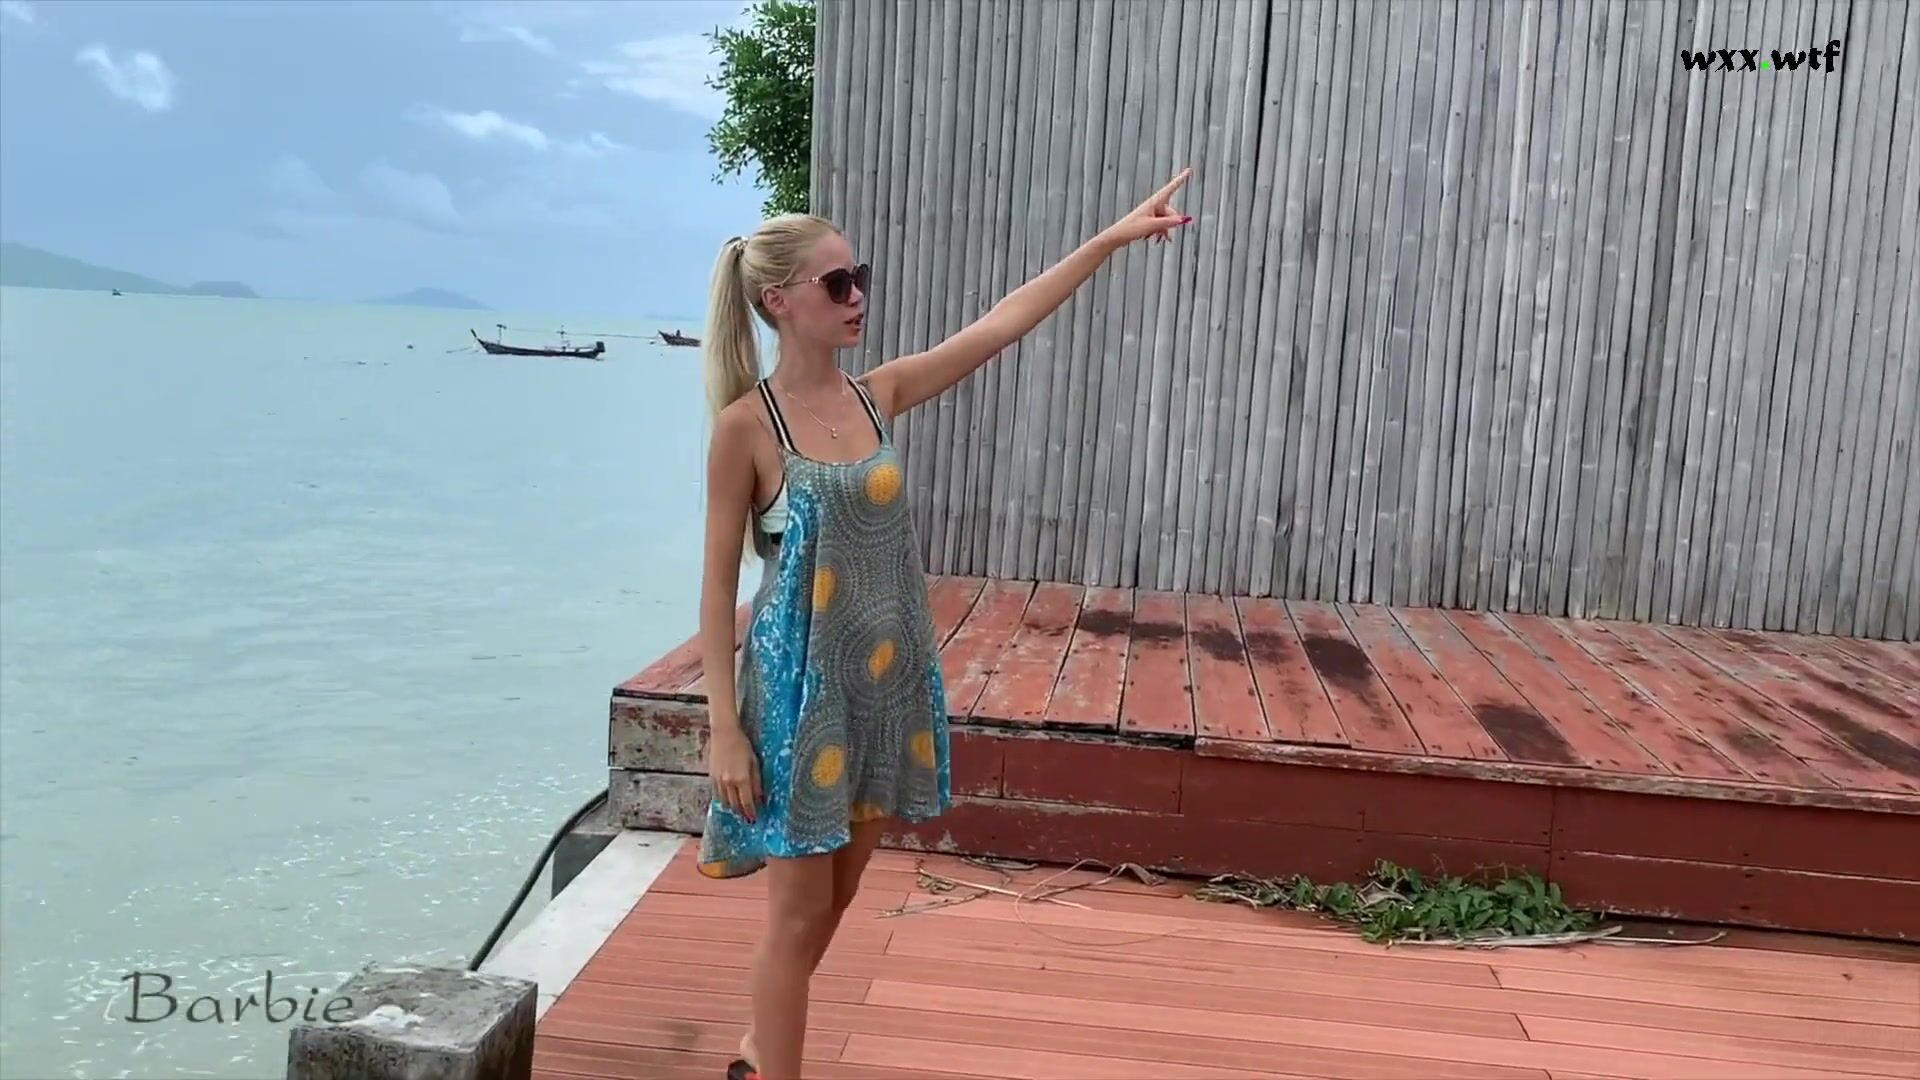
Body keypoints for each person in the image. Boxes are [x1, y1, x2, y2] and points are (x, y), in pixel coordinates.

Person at [695, 167, 1193, 1080]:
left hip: (882, 685)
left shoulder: (876, 395)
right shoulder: (745, 429)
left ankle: (758, 1051)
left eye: (860, 278)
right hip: (799, 696)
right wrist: (723, 730)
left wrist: (1110, 239)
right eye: (837, 284)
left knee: (838, 899)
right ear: (778, 302)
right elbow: (715, 586)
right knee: (796, 918)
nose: (858, 297)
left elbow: (1000, 326)